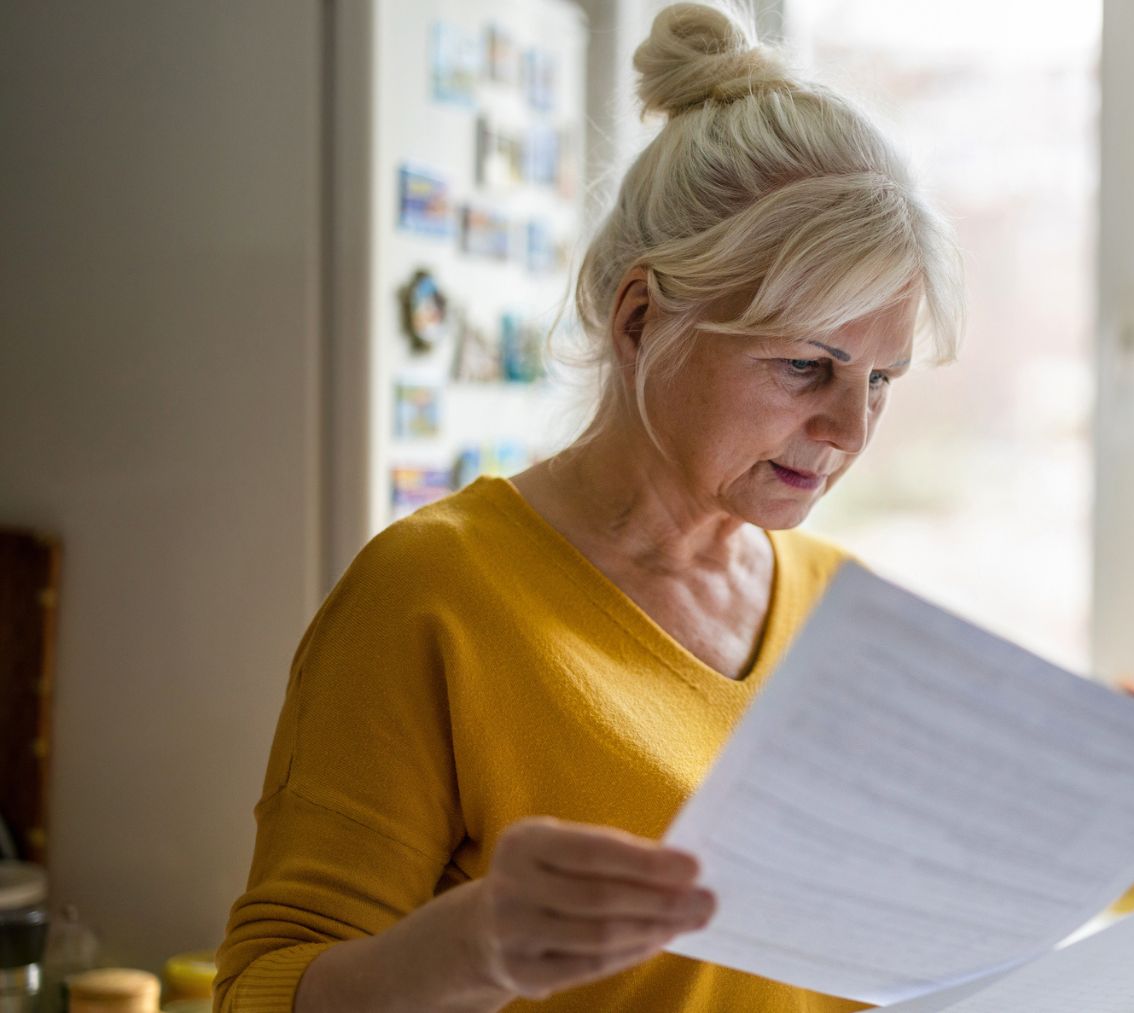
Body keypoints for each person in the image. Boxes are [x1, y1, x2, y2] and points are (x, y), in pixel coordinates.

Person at [213, 4, 962, 1010]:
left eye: (879, 379)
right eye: (804, 365)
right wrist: (473, 947)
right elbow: (260, 990)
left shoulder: (849, 610)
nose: (848, 429)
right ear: (642, 318)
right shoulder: (434, 594)